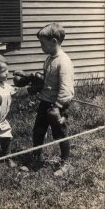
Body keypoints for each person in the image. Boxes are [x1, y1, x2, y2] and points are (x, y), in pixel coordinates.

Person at [33, 23, 74, 176]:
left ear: (54, 42)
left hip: (57, 105)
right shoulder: (50, 58)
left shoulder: (63, 61)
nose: (41, 46)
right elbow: (47, 80)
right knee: (38, 130)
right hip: (45, 102)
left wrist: (57, 106)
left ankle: (65, 162)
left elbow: (67, 88)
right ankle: (36, 157)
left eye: (42, 43)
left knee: (60, 134)